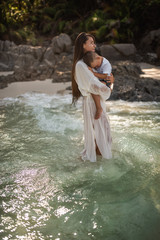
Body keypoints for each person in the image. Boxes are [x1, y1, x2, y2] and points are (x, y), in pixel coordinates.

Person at [72, 32, 114, 162]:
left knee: (100, 133)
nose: (94, 45)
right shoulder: (81, 65)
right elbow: (94, 86)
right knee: (102, 134)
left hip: (94, 102)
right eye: (91, 42)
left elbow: (94, 83)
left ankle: (97, 161)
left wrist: (107, 81)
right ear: (83, 45)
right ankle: (98, 164)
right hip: (92, 103)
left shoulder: (86, 63)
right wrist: (109, 83)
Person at [83, 51, 114, 119]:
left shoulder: (106, 64)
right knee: (93, 88)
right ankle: (99, 107)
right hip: (99, 80)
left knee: (95, 88)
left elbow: (104, 76)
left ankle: (99, 108)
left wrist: (93, 73)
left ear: (98, 58)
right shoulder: (96, 61)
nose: (96, 67)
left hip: (106, 80)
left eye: (96, 66)